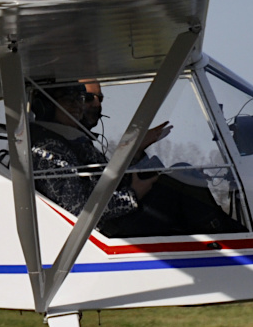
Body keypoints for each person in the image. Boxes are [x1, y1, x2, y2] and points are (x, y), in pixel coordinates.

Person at [30, 82, 172, 224]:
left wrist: (135, 151)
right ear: (45, 107)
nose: (77, 106)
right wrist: (132, 196)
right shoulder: (48, 147)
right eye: (68, 100)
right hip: (100, 229)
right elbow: (77, 208)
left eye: (80, 99)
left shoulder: (72, 140)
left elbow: (107, 180)